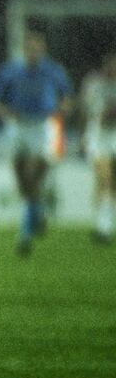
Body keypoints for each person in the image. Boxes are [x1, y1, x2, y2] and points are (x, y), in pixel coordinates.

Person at [0, 29, 72, 256]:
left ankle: (24, 236)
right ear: (24, 50)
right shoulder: (10, 71)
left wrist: (61, 110)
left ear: (43, 50)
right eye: (30, 49)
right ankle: (38, 213)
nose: (34, 53)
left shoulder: (54, 71)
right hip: (17, 127)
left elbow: (67, 99)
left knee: (31, 173)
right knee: (22, 181)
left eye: (38, 49)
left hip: (44, 126)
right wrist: (5, 111)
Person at [82, 51, 116, 244]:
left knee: (111, 183)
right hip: (98, 136)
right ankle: (103, 227)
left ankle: (106, 224)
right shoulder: (94, 84)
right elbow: (94, 113)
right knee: (104, 177)